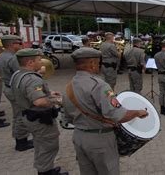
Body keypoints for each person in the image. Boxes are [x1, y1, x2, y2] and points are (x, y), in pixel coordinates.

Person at [63, 47, 148, 175]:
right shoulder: (99, 85)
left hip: (79, 137)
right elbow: (118, 115)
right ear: (92, 64)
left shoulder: (69, 85)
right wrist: (137, 112)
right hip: (100, 139)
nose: (99, 66)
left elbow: (67, 117)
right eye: (98, 63)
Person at [10, 48, 67, 175]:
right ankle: (45, 171)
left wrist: (49, 93)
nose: (41, 62)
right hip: (39, 118)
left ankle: (45, 168)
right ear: (30, 63)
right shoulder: (32, 79)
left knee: (41, 144)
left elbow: (26, 92)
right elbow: (39, 102)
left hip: (28, 115)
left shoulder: (18, 74)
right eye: (38, 59)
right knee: (48, 145)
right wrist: (57, 101)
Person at [0, 35, 33, 151]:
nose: (20, 45)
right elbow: (21, 74)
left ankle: (20, 138)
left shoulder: (0, 56)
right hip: (15, 89)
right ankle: (21, 141)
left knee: (18, 114)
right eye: (19, 43)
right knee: (21, 115)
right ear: (12, 44)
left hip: (8, 87)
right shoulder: (13, 58)